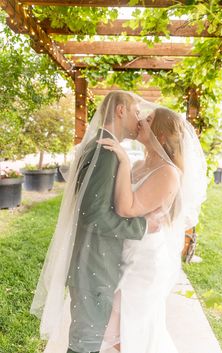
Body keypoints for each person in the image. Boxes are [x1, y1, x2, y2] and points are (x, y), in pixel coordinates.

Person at [30, 91, 160, 353]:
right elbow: (93, 216)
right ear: (120, 111)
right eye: (136, 112)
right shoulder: (106, 151)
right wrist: (142, 227)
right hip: (94, 266)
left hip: (92, 262)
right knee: (85, 345)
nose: (139, 119)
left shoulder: (102, 145)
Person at [97, 106, 207, 353]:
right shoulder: (138, 165)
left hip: (145, 262)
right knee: (124, 328)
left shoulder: (167, 173)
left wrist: (122, 159)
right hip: (125, 252)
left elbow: (127, 209)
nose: (140, 122)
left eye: (147, 120)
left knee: (125, 329)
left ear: (162, 135)